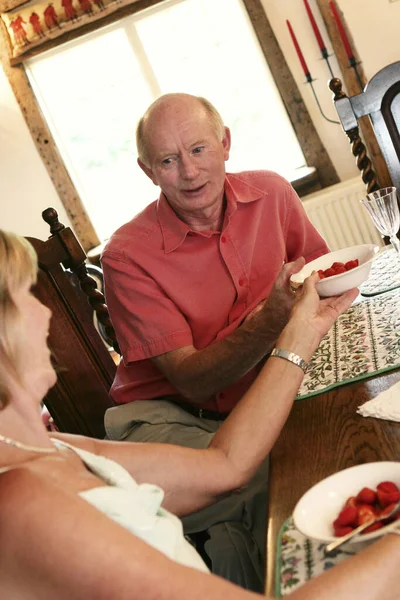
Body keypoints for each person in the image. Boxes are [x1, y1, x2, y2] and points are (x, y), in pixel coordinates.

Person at [2, 229, 400, 600]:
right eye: (25, 297)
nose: (44, 314)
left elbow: (226, 465)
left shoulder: (52, 447)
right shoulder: (21, 502)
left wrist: (303, 332)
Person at [101, 93, 330, 589]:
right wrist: (272, 320)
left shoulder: (272, 193)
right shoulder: (126, 256)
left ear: (225, 144)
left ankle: (229, 548)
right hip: (169, 417)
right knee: (287, 479)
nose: (188, 171)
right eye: (168, 160)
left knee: (325, 434)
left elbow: (324, 277)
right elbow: (192, 380)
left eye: (199, 150)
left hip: (258, 392)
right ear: (149, 172)